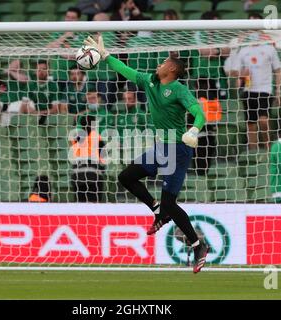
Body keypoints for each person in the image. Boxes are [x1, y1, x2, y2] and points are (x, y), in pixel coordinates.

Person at [84, 35, 209, 273]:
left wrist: (194, 129)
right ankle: (156, 209)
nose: (159, 64)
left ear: (172, 69)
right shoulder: (150, 81)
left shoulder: (178, 89)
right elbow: (125, 70)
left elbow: (199, 112)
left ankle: (198, 245)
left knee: (170, 203)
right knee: (126, 177)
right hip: (161, 147)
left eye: (163, 62)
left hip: (178, 149)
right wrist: (106, 55)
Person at [230, 24, 281, 150]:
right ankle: (253, 152)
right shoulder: (243, 50)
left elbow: (278, 69)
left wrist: (278, 91)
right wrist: (242, 74)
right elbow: (234, 72)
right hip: (249, 90)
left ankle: (268, 148)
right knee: (251, 124)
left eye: (255, 30)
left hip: (265, 90)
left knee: (263, 121)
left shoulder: (269, 49)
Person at [70, 114, 105, 203]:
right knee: (94, 204)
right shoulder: (97, 137)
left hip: (77, 174)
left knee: (80, 204)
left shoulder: (76, 137)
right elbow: (103, 158)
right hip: (94, 174)